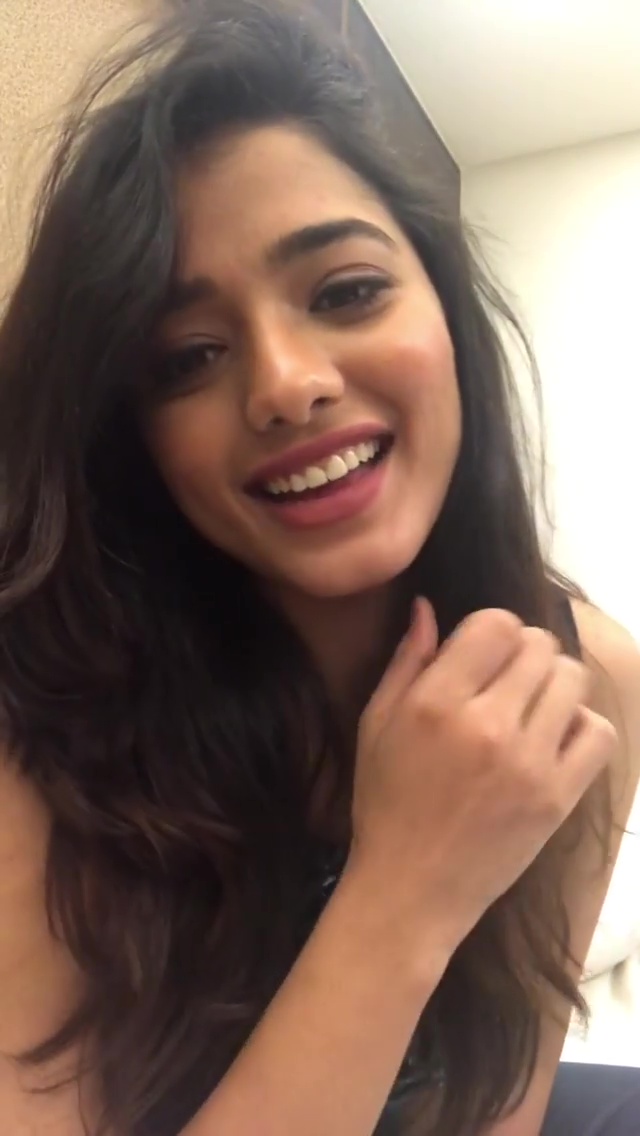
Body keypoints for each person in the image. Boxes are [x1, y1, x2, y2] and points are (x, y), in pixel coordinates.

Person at [0, 3, 638, 1134]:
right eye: (188, 356)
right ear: (129, 435)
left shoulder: (586, 679)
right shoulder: (38, 735)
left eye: (346, 291)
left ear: (446, 311)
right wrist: (408, 888)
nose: (287, 384)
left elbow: (500, 1103)